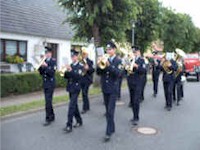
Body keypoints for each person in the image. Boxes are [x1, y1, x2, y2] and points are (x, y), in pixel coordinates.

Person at [96, 41, 122, 142]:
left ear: (114, 50)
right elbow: (99, 73)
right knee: (108, 110)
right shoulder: (104, 59)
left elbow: (119, 74)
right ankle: (112, 127)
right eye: (107, 49)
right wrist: (99, 64)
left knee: (110, 111)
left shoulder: (118, 61)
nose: (108, 51)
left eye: (110, 49)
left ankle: (108, 132)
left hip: (113, 89)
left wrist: (108, 65)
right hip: (105, 88)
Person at [63, 49, 83, 133]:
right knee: (74, 106)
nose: (72, 58)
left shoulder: (80, 66)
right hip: (70, 87)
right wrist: (66, 71)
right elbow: (66, 77)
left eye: (74, 56)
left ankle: (69, 125)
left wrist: (70, 70)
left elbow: (78, 77)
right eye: (71, 56)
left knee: (71, 106)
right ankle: (79, 120)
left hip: (76, 88)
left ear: (77, 56)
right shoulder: (70, 65)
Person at [126, 46, 146, 125]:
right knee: (132, 100)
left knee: (136, 100)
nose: (134, 53)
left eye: (135, 52)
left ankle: (136, 117)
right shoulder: (130, 60)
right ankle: (134, 115)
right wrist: (127, 67)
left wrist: (137, 66)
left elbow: (144, 70)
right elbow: (127, 69)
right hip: (130, 81)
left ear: (138, 52)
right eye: (133, 52)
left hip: (138, 82)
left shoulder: (142, 60)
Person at [38, 47, 56, 126]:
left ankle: (48, 118)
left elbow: (52, 72)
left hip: (51, 84)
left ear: (51, 54)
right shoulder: (44, 61)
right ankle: (52, 116)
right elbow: (41, 73)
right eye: (46, 53)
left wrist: (46, 66)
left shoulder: (53, 61)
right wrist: (41, 66)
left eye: (48, 53)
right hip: (45, 83)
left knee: (47, 102)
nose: (47, 54)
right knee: (49, 101)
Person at [80, 47, 95, 114]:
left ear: (87, 54)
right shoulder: (80, 61)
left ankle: (84, 108)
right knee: (84, 94)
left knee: (84, 92)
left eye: (85, 54)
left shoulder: (90, 61)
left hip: (87, 79)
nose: (84, 55)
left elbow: (92, 70)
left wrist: (88, 68)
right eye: (83, 54)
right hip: (81, 79)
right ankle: (87, 106)